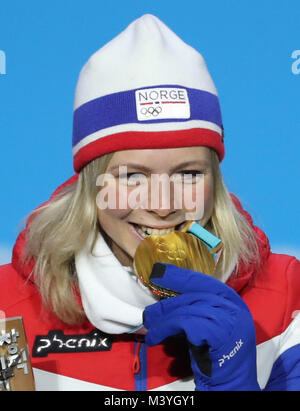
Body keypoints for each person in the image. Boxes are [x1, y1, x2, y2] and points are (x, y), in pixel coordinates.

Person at [1, 14, 300, 391]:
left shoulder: (290, 298)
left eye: (189, 174)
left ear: (215, 182)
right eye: (132, 177)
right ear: (91, 185)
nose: (163, 205)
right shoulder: (6, 307)